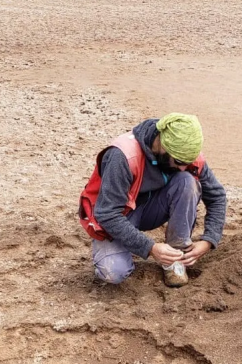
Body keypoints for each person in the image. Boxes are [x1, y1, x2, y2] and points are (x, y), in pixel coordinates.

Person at [78, 113, 227, 287]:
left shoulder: (185, 153)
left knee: (187, 181)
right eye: (179, 161)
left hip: (151, 208)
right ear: (162, 145)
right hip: (119, 215)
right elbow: (107, 213)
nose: (183, 167)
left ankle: (175, 256)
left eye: (187, 161)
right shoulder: (123, 156)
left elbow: (217, 196)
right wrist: (150, 247)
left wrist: (209, 240)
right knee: (113, 273)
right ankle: (127, 251)